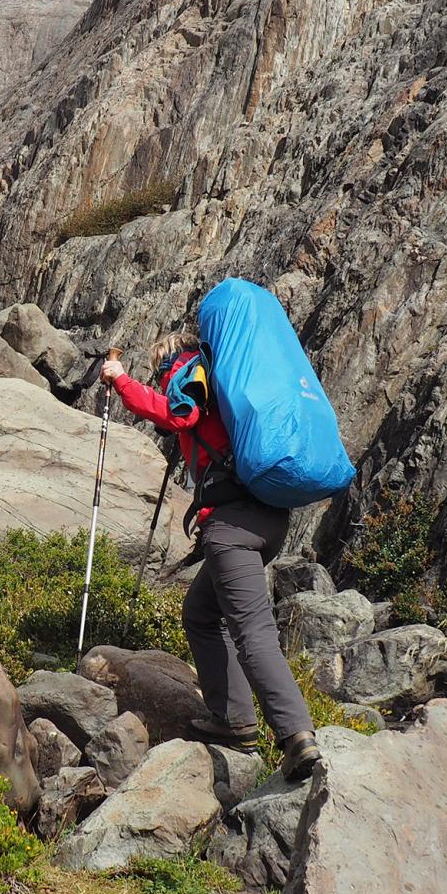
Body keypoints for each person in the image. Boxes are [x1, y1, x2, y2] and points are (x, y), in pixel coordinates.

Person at [101, 332, 324, 781]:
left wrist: (122, 380)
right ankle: (235, 720)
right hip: (267, 519)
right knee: (201, 613)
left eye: (156, 368)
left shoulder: (187, 368)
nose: (160, 377)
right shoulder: (220, 381)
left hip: (233, 526)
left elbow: (177, 415)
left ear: (166, 358)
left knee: (253, 632)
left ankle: (298, 737)